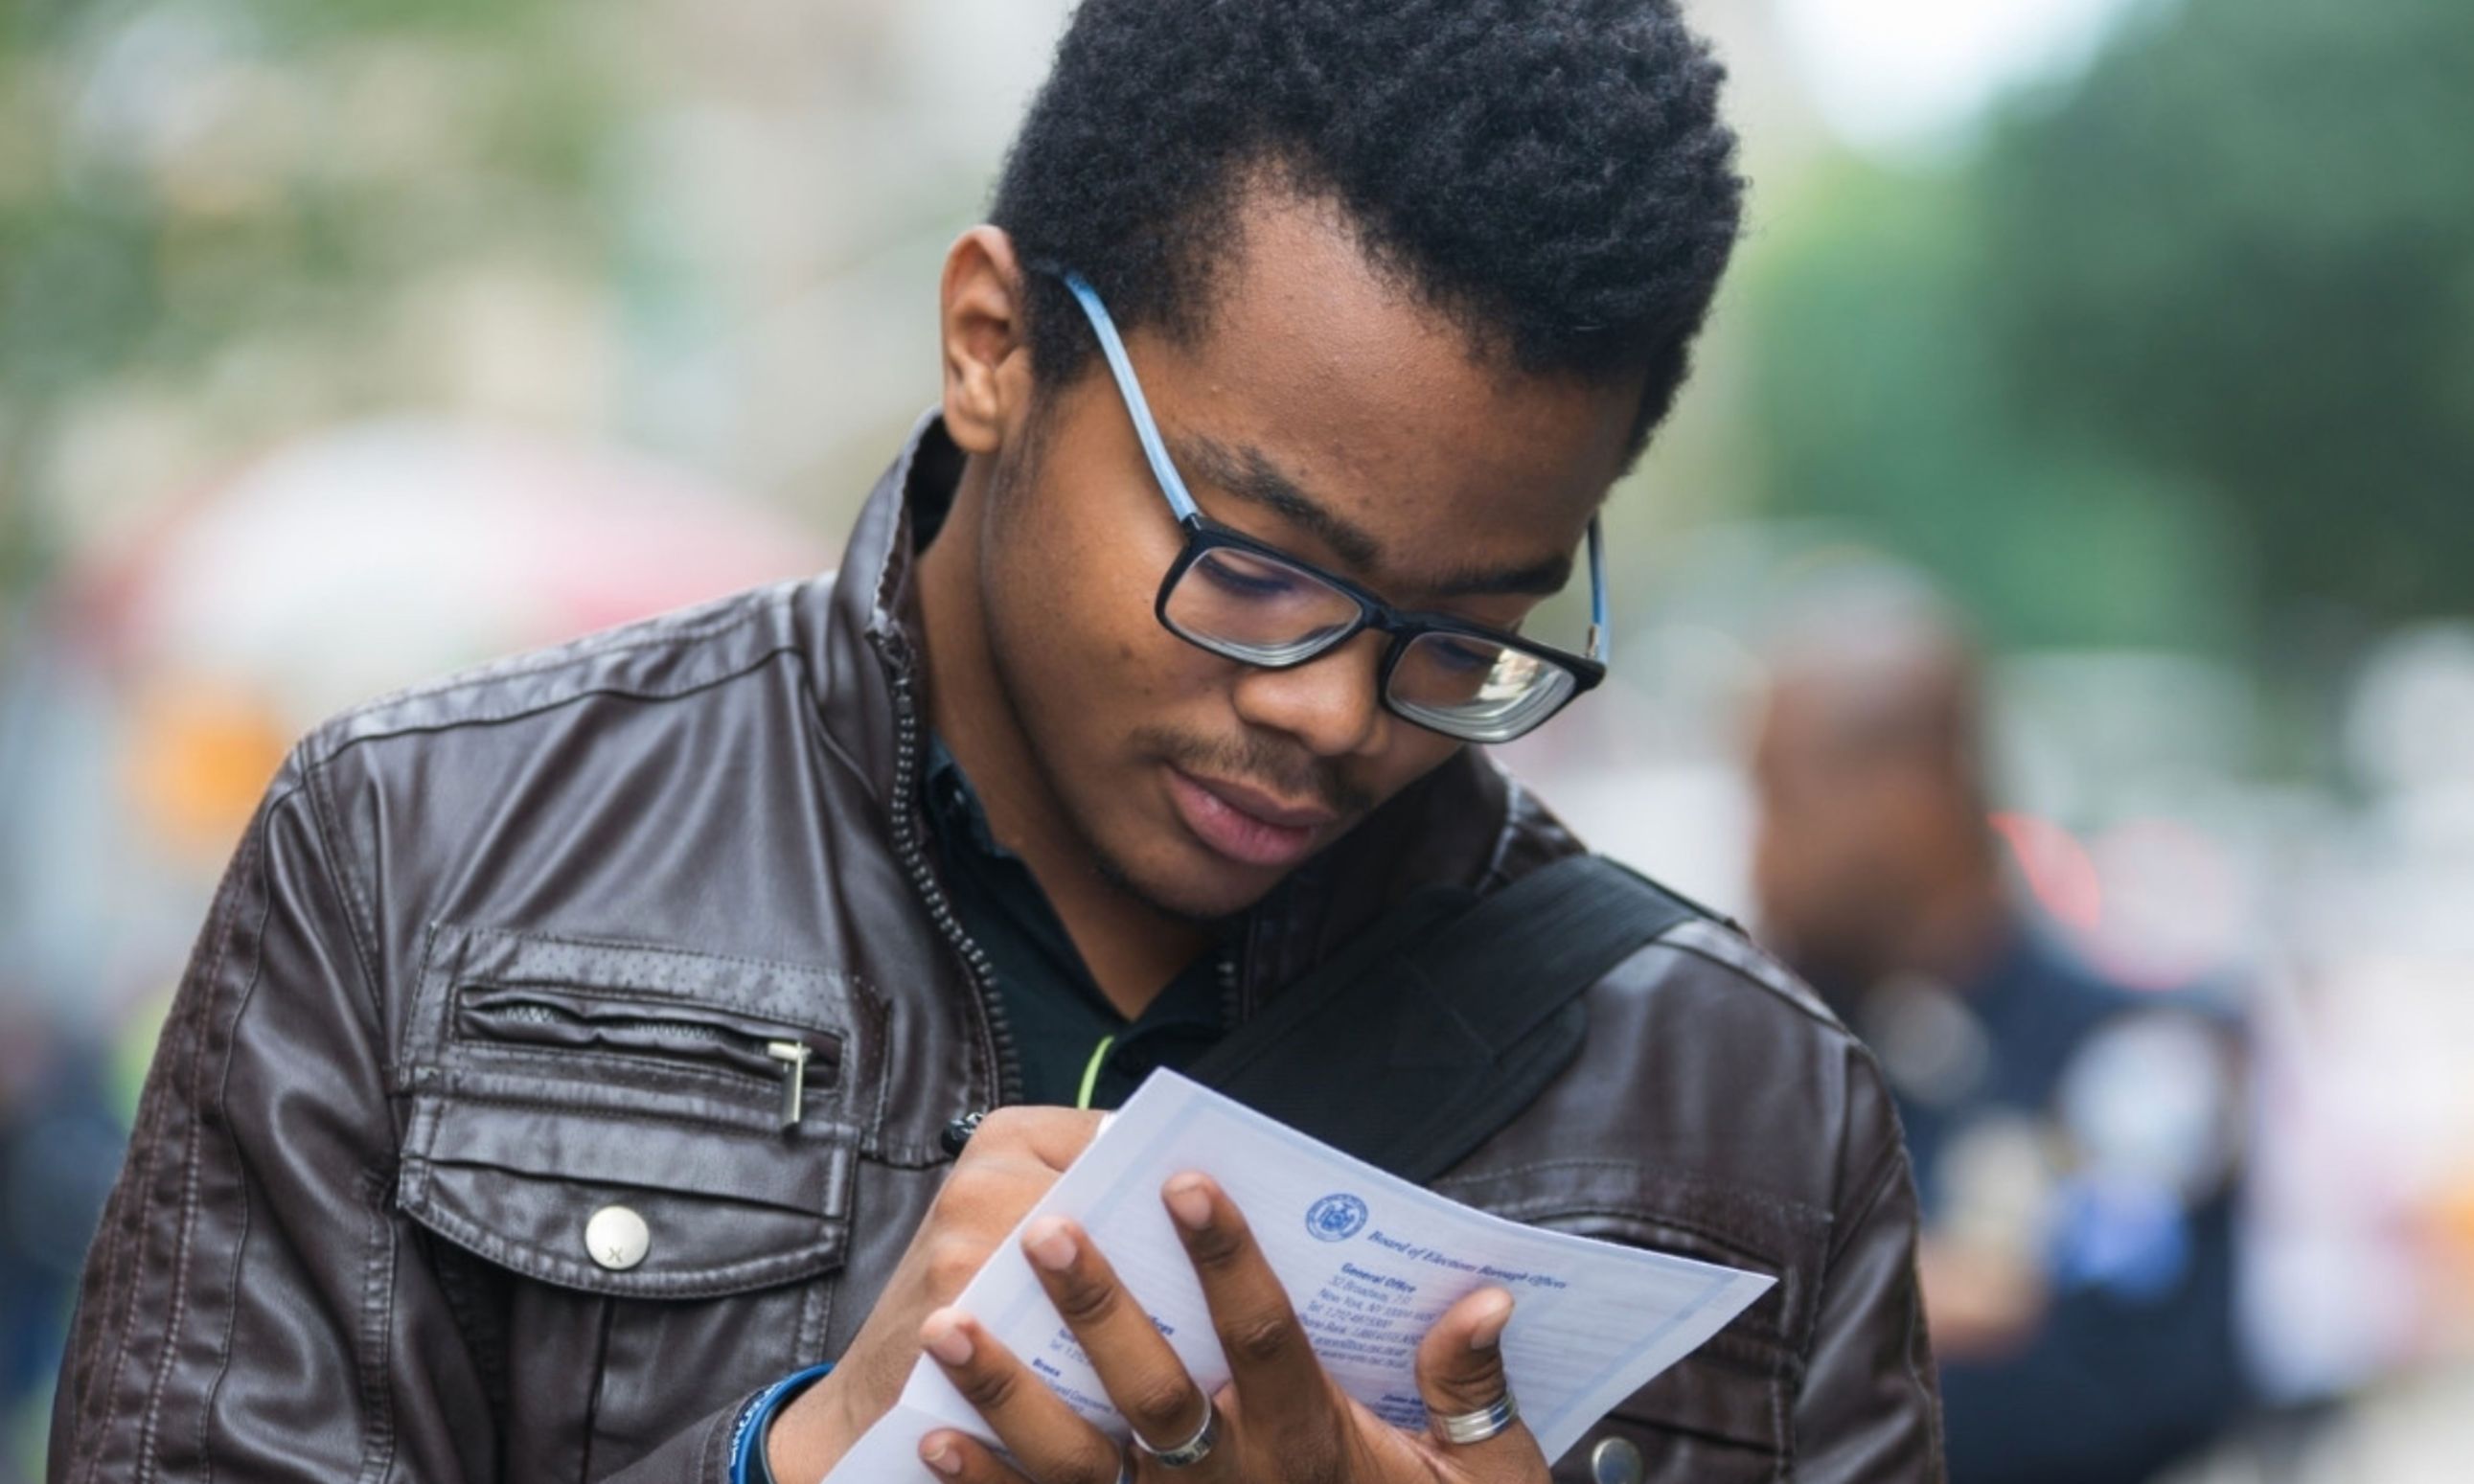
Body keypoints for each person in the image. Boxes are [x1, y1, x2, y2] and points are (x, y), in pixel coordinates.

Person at [50, 5, 1942, 1484]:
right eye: (1258, 564)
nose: (1332, 709)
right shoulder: (419, 862)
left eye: (1466, 629)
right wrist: (790, 1458)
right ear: (989, 340)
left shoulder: (1749, 1110)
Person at [1750, 587, 2249, 1484]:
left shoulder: (2137, 1057)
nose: (1760, 850)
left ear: (1913, 791)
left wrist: (1808, 1310)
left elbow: (2115, 1395)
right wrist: (1917, 1298)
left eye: (1781, 796)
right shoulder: (1772, 1045)